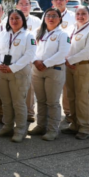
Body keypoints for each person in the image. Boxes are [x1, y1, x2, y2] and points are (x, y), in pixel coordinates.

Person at [0, 9, 36, 143]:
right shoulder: (3, 34)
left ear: (23, 20)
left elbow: (29, 55)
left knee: (19, 103)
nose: (14, 21)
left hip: (19, 72)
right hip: (2, 71)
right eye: (11, 18)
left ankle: (20, 130)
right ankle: (7, 127)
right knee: (6, 102)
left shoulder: (29, 36)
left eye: (17, 18)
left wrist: (12, 67)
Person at [28, 8, 71, 141]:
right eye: (48, 16)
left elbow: (62, 53)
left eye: (54, 16)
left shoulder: (63, 34)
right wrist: (35, 61)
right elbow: (30, 49)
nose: (51, 18)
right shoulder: (37, 33)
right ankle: (41, 126)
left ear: (60, 19)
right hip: (37, 69)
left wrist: (45, 63)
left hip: (54, 70)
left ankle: (52, 130)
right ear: (44, 18)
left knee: (52, 102)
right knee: (40, 100)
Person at [62, 7, 89, 140]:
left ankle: (85, 127)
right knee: (71, 96)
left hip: (83, 66)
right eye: (78, 14)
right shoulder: (72, 28)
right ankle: (74, 124)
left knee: (82, 97)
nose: (80, 16)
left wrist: (70, 60)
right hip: (69, 66)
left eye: (84, 14)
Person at [16, 0, 42, 122]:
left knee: (29, 87)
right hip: (15, 59)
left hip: (31, 59)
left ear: (31, 7)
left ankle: (30, 112)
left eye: (26, 4)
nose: (24, 6)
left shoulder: (37, 21)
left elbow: (41, 41)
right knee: (15, 86)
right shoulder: (10, 19)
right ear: (16, 6)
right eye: (21, 4)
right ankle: (15, 112)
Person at [53, 0, 76, 126]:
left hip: (68, 57)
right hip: (51, 57)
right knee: (52, 86)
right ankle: (52, 112)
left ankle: (68, 113)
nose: (59, 2)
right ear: (52, 2)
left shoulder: (73, 16)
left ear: (66, 1)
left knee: (67, 88)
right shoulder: (48, 14)